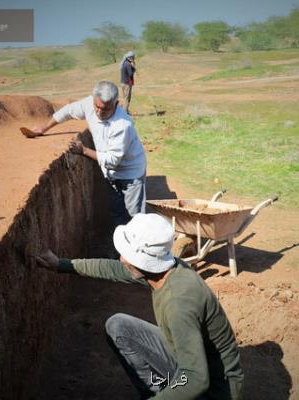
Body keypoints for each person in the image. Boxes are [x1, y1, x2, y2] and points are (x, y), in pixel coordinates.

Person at [35, 213, 244, 399]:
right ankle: (159, 389)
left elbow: (196, 379)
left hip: (216, 391)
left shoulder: (178, 304)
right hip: (193, 364)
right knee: (119, 327)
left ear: (143, 262)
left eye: (126, 255)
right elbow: (113, 269)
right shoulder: (168, 270)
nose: (121, 258)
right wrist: (62, 265)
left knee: (185, 384)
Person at [31, 80, 146, 227]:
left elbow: (111, 160)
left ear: (116, 105)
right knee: (117, 213)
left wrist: (84, 150)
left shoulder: (122, 125)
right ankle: (122, 246)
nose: (99, 112)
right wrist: (43, 128)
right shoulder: (90, 104)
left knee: (135, 218)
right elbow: (67, 111)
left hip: (131, 174)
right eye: (96, 106)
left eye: (105, 109)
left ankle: (140, 247)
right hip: (112, 174)